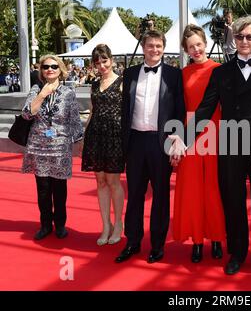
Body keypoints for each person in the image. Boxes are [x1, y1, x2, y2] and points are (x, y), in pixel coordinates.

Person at [170, 15, 251, 277]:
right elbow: (205, 110)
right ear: (234, 39)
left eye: (249, 37)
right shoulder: (220, 73)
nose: (244, 41)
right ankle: (238, 253)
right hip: (230, 142)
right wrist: (184, 139)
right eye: (240, 36)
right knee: (233, 202)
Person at [115, 30, 185, 264]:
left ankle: (157, 245)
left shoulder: (175, 75)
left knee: (161, 196)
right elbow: (125, 109)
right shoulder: (130, 73)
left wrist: (176, 138)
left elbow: (179, 110)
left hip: (161, 142)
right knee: (134, 195)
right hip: (135, 142)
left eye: (159, 46)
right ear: (143, 47)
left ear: (164, 48)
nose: (154, 49)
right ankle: (132, 241)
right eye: (150, 46)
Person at [172, 24, 226, 263]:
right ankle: (196, 241)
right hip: (189, 136)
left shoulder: (221, 70)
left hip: (216, 132)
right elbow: (180, 107)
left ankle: (216, 238)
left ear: (205, 43)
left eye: (198, 44)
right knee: (193, 189)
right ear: (186, 49)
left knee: (214, 188)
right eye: (190, 46)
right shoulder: (182, 74)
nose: (196, 49)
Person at [21, 55, 83, 240]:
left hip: (60, 147)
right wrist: (41, 95)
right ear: (41, 70)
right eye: (46, 66)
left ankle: (60, 224)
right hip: (38, 145)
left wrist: (80, 141)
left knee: (60, 188)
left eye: (54, 66)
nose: (50, 69)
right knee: (43, 189)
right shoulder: (35, 90)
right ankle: (46, 225)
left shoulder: (68, 92)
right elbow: (26, 115)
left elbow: (74, 119)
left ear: (60, 70)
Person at [81, 44, 125, 246]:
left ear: (112, 60)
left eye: (104, 61)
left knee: (113, 181)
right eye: (97, 63)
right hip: (95, 136)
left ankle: (118, 224)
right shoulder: (93, 85)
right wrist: (84, 138)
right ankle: (105, 225)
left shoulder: (123, 82)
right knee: (100, 182)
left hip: (114, 137)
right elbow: (92, 112)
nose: (102, 66)